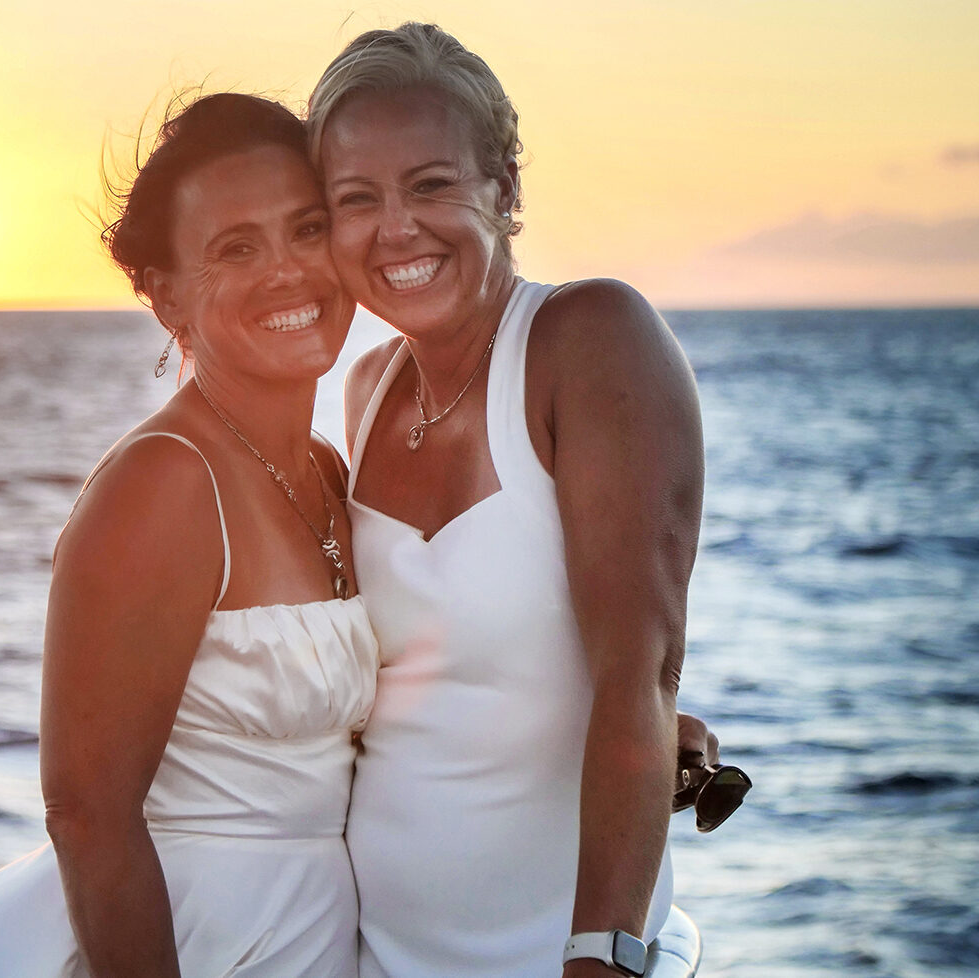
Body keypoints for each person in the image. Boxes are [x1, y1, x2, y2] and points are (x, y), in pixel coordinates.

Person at [0, 93, 376, 978]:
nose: (289, 272)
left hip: (314, 934)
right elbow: (86, 814)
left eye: (308, 228)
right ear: (164, 292)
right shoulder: (164, 484)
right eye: (236, 249)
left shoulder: (328, 468)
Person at [308, 24, 706, 978]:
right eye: (355, 200)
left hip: (549, 951)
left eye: (432, 186)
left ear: (506, 189)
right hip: (366, 949)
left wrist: (600, 957)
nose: (395, 228)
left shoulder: (591, 339)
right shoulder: (363, 392)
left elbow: (638, 675)